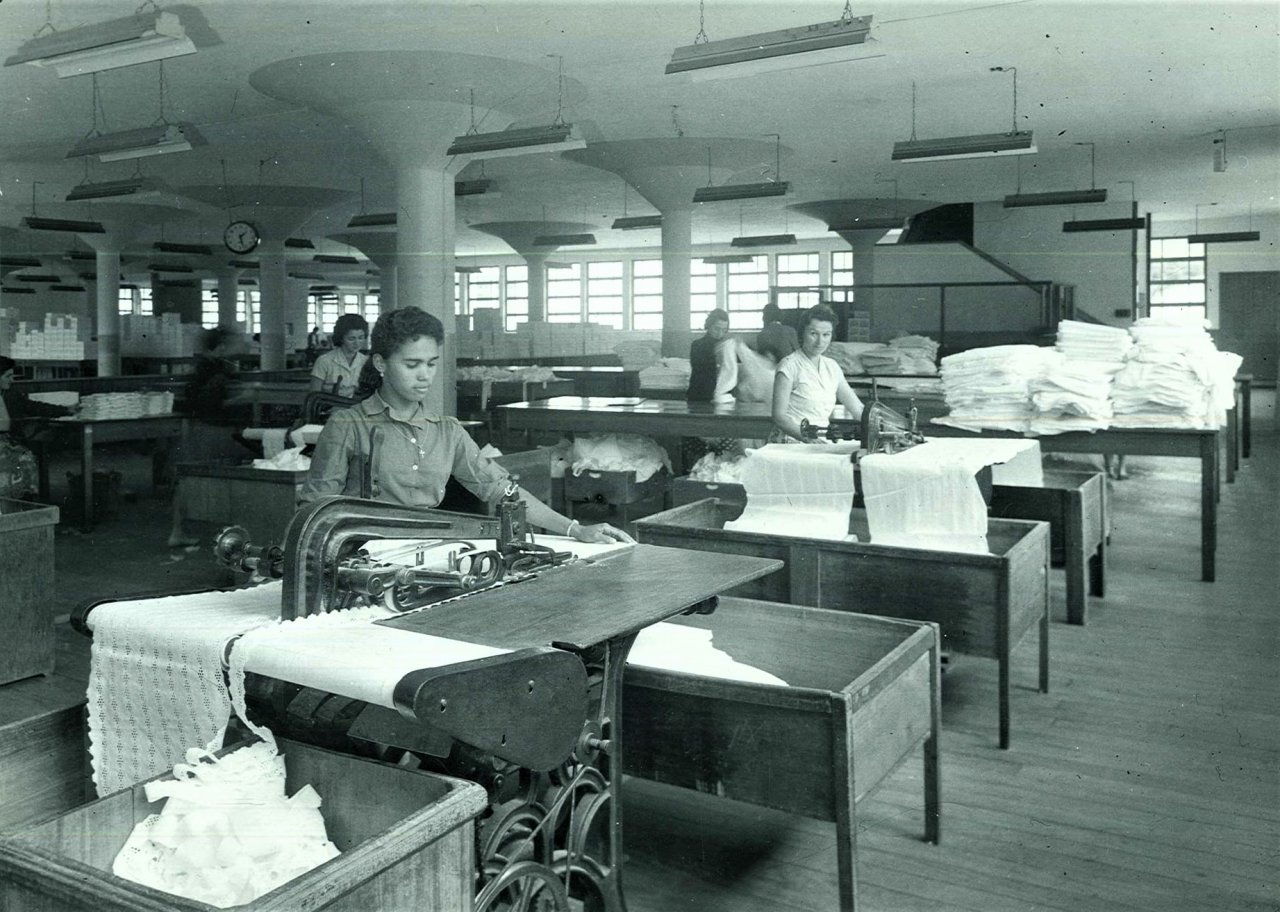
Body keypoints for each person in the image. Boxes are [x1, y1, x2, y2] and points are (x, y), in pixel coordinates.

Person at [300, 307, 633, 545]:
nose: (424, 375)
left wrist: (573, 529)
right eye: (412, 364)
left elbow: (502, 489)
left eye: (431, 364)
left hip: (428, 552)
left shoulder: (446, 431)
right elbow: (315, 510)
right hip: (362, 557)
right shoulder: (349, 424)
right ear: (380, 364)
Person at [771, 304, 865, 443]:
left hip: (821, 440)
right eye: (813, 334)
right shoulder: (789, 366)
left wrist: (883, 425)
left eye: (826, 335)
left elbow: (857, 408)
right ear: (802, 333)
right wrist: (807, 438)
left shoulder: (832, 367)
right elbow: (779, 417)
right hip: (792, 441)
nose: (820, 341)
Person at [0, 356, 75, 499]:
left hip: (9, 443)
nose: (12, 380)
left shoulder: (11, 394)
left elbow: (35, 407)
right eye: (8, 376)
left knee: (26, 458)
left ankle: (24, 501)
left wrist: (65, 410)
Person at [310, 314, 368, 398]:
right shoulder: (324, 361)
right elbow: (313, 395)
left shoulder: (366, 362)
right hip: (328, 409)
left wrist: (354, 389)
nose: (357, 343)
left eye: (361, 338)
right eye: (351, 339)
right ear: (341, 338)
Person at [686, 309, 736, 404]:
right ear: (708, 326)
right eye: (717, 329)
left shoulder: (726, 346)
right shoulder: (698, 345)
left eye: (724, 330)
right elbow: (701, 369)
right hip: (700, 397)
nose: (720, 333)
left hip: (720, 398)